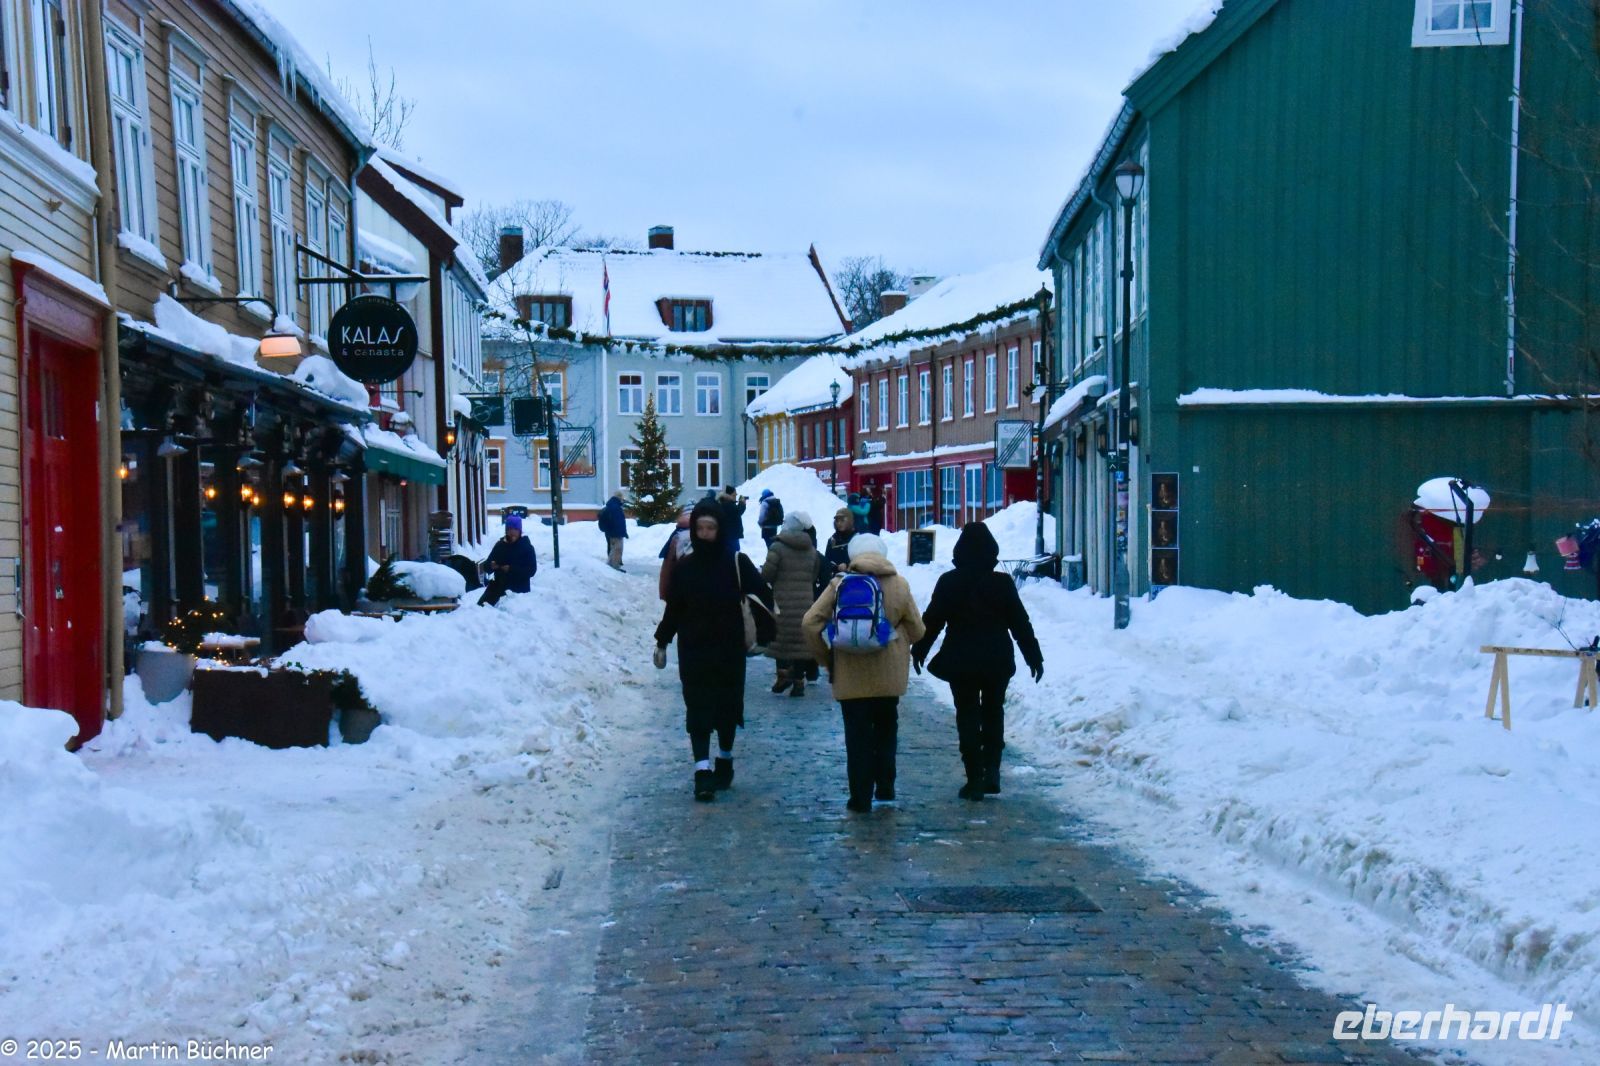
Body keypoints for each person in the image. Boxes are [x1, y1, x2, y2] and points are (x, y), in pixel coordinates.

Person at [911, 521, 1043, 801]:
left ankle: (974, 778)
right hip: (997, 659)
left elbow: (932, 621)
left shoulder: (949, 581)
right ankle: (992, 771)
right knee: (994, 712)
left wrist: (919, 650)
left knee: (967, 715)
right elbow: (1020, 623)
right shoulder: (1002, 583)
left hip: (962, 659)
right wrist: (1033, 656)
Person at [654, 499, 774, 801]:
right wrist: (662, 641)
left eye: (711, 527)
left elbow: (763, 596)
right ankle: (702, 771)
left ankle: (725, 759)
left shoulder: (736, 562)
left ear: (720, 530)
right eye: (701, 528)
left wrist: (761, 628)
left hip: (728, 650)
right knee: (697, 709)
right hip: (694, 650)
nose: (705, 533)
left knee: (727, 707)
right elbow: (674, 609)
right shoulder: (685, 567)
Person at [803, 533, 925, 812]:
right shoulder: (899, 585)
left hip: (850, 677)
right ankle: (885, 786)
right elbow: (918, 631)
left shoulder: (839, 584)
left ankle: (860, 797)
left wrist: (826, 657)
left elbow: (809, 623)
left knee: (856, 736)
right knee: (886, 729)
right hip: (888, 678)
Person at [761, 511, 822, 696]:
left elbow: (767, 575)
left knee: (781, 639)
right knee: (800, 642)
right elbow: (813, 574)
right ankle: (798, 681)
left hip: (782, 602)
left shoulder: (777, 547)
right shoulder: (811, 550)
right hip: (805, 601)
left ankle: (783, 676)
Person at [479, 514, 538, 606]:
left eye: (515, 529)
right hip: (498, 590)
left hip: (519, 593)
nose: (512, 532)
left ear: (520, 531)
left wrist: (511, 569)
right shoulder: (499, 546)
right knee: (480, 609)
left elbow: (531, 570)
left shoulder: (527, 547)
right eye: (510, 529)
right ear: (506, 530)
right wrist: (491, 566)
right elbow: (487, 566)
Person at [657, 506, 693, 602]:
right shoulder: (700, 534)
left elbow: (667, 567)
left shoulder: (676, 536)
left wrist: (664, 592)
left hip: (677, 590)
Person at [598, 489, 629, 570]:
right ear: (619, 497)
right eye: (622, 498)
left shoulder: (611, 505)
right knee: (617, 550)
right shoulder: (616, 507)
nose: (622, 500)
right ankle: (615, 567)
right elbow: (618, 522)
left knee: (613, 550)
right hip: (616, 533)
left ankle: (610, 566)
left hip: (611, 532)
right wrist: (622, 532)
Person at [824, 506, 854, 574]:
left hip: (854, 577)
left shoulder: (857, 538)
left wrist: (847, 565)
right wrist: (836, 567)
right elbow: (827, 562)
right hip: (836, 578)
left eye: (842, 520)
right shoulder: (832, 540)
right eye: (837, 521)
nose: (839, 523)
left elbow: (862, 561)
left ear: (850, 521)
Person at [718, 486, 747, 552]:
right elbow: (737, 512)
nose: (735, 496)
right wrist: (742, 503)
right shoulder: (728, 504)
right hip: (731, 535)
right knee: (734, 552)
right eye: (734, 495)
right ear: (729, 495)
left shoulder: (725, 502)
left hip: (729, 534)